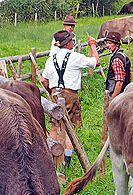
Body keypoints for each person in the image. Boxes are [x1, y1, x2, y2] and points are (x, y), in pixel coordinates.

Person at [41, 30, 100, 168]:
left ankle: (52, 158)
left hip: (55, 93)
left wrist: (52, 91)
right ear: (68, 44)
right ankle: (66, 162)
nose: (73, 42)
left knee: (55, 126)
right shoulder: (75, 57)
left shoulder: (51, 59)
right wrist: (92, 45)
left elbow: (44, 80)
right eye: (72, 40)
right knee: (70, 128)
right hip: (70, 94)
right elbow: (96, 62)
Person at [105, 31, 131, 102]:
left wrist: (112, 100)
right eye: (107, 43)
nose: (108, 45)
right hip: (124, 93)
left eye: (110, 43)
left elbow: (119, 82)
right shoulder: (124, 56)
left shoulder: (116, 59)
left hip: (116, 94)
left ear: (117, 44)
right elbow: (130, 75)